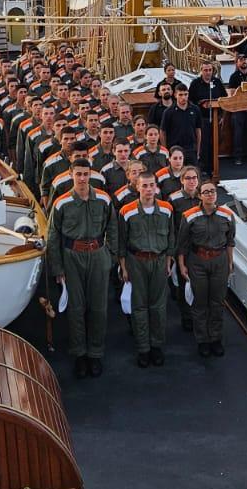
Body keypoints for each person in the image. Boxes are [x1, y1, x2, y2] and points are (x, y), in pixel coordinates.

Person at [46, 159, 116, 379]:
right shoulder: (61, 202)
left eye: (86, 174)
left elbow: (113, 227)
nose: (83, 179)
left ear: (91, 174)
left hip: (97, 255)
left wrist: (109, 257)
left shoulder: (103, 199)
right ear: (71, 174)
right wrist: (57, 267)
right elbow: (53, 236)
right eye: (79, 174)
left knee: (98, 307)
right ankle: (80, 354)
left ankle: (95, 353)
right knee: (76, 308)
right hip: (72, 257)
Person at [117, 173, 175, 367]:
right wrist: (124, 267)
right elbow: (121, 242)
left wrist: (168, 261)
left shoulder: (167, 209)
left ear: (156, 187)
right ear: (138, 188)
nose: (148, 189)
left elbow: (171, 238)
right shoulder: (127, 211)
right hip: (136, 261)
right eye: (145, 186)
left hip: (159, 261)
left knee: (158, 306)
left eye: (152, 185)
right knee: (139, 306)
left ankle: (156, 345)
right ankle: (143, 348)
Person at [177, 179, 236, 358]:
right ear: (199, 195)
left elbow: (230, 241)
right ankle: (203, 340)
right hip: (197, 261)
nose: (210, 194)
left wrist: (230, 262)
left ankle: (215, 338)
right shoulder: (189, 215)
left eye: (213, 191)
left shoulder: (227, 215)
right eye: (206, 192)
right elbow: (182, 243)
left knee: (217, 302)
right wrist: (181, 264)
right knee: (200, 303)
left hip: (219, 261)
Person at [190, 57, 227, 156]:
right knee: (203, 143)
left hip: (216, 118)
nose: (208, 72)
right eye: (205, 70)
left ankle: (214, 166)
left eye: (210, 70)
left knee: (216, 141)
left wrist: (223, 116)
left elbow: (224, 99)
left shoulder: (217, 82)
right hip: (202, 118)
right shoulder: (195, 83)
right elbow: (190, 101)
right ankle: (203, 166)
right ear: (201, 71)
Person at [160, 83, 201, 165]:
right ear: (175, 95)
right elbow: (162, 132)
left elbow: (198, 131)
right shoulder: (168, 112)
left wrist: (198, 150)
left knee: (192, 175)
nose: (184, 97)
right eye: (181, 95)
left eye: (186, 94)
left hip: (191, 150)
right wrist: (166, 152)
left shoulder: (195, 109)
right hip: (174, 150)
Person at [227, 51, 247, 166]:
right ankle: (237, 157)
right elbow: (232, 93)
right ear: (237, 62)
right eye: (241, 60)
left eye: (245, 59)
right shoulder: (234, 77)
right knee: (238, 134)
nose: (244, 61)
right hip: (238, 109)